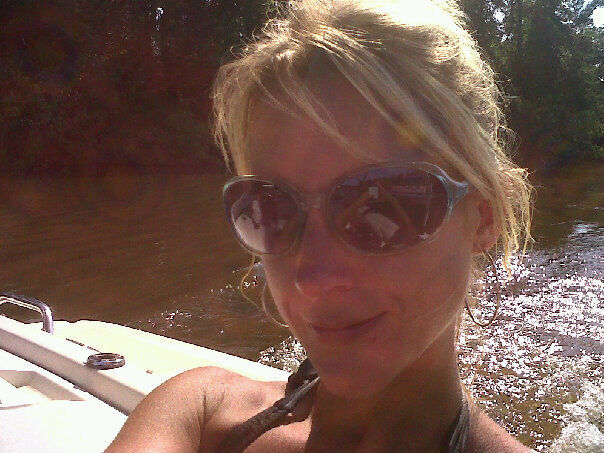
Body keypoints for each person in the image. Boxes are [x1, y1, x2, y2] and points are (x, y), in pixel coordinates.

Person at [106, 0, 534, 451]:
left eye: (382, 208)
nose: (312, 280)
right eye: (272, 210)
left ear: (484, 214)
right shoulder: (199, 412)